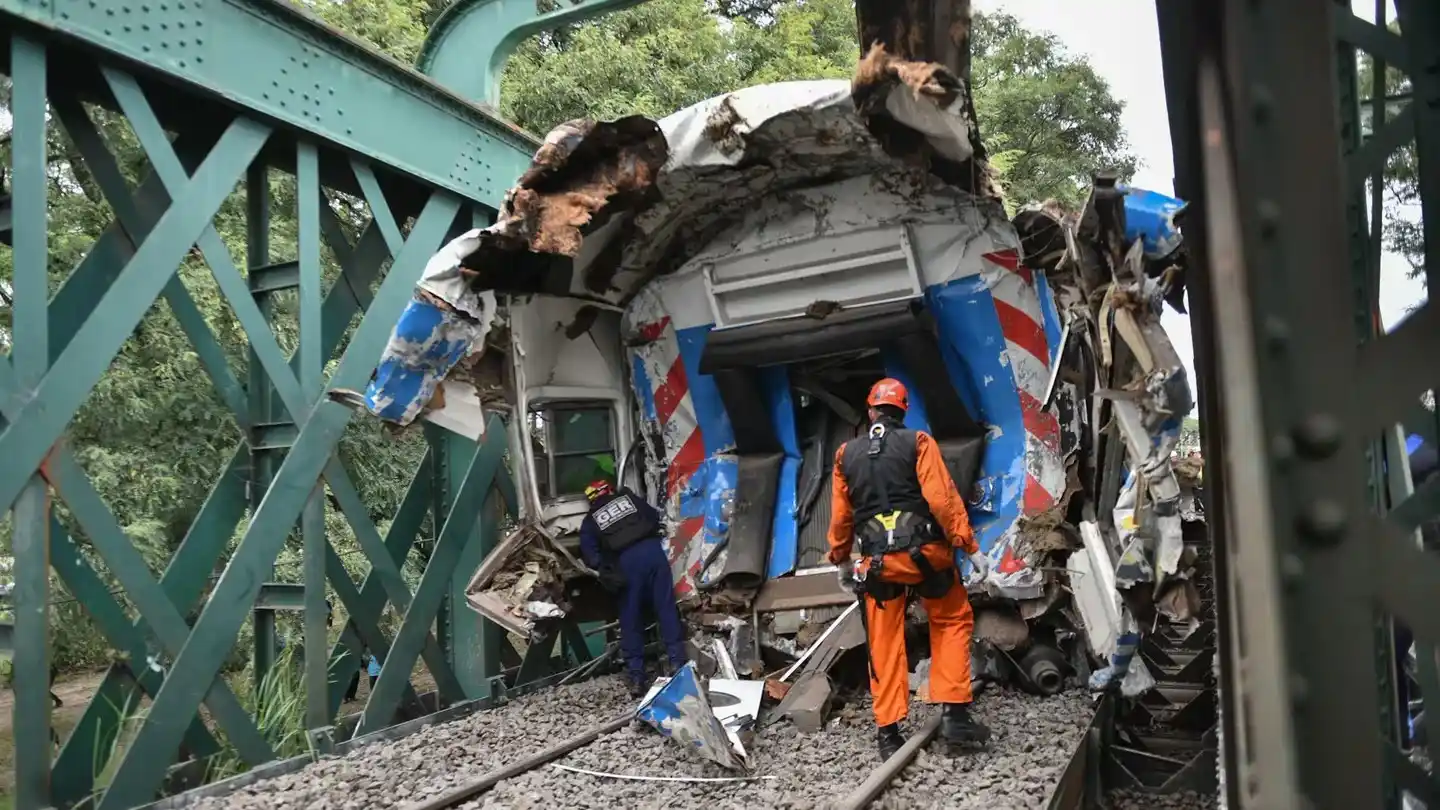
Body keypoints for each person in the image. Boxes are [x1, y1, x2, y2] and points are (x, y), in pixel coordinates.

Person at [827, 377, 994, 760]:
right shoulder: (918, 442)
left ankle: (888, 734)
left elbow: (840, 518)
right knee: (951, 619)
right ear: (903, 410)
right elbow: (942, 500)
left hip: (877, 566)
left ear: (871, 412)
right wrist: (969, 545)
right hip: (927, 557)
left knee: (883, 642)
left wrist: (840, 559)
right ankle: (954, 715)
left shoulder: (843, 455)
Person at [579, 478, 687, 697]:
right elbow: (654, 516)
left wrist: (606, 566)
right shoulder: (629, 498)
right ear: (609, 490)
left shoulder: (591, 520)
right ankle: (678, 663)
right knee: (666, 609)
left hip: (627, 563)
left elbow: (591, 556)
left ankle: (637, 678)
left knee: (631, 619)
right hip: (654, 554)